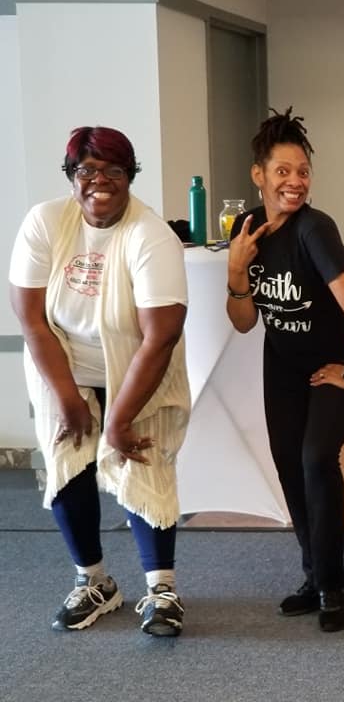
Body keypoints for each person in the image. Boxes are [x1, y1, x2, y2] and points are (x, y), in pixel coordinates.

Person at [9, 126, 191, 636]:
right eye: (86, 171)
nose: (99, 183)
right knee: (68, 462)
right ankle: (93, 582)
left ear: (130, 176)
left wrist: (119, 420)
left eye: (114, 171)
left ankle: (162, 590)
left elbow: (161, 336)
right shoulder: (45, 222)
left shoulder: (150, 233)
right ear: (71, 177)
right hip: (62, 361)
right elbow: (30, 318)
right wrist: (69, 400)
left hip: (137, 363)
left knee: (143, 462)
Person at [227, 107, 344, 632]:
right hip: (285, 361)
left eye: (303, 171)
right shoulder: (247, 229)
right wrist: (235, 269)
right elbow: (245, 322)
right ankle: (315, 573)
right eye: (283, 171)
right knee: (289, 463)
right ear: (259, 174)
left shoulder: (316, 229)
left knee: (317, 457)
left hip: (342, 358)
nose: (295, 181)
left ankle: (333, 585)